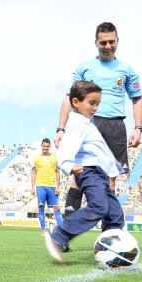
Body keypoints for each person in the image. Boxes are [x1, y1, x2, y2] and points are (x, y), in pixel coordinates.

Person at [54, 22, 142, 218]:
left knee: (111, 179)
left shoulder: (127, 69)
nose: (108, 46)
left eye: (112, 41)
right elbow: (69, 97)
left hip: (114, 126)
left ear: (118, 41)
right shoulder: (85, 68)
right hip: (87, 125)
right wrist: (60, 129)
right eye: (103, 42)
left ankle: (109, 233)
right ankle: (67, 231)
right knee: (78, 177)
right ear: (96, 42)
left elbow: (137, 99)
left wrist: (138, 128)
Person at [45, 80, 125, 262]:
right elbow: (67, 145)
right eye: (91, 103)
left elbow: (98, 150)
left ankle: (112, 247)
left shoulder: (88, 123)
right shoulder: (78, 122)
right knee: (99, 206)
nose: (95, 108)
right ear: (75, 102)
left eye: (97, 104)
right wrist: (67, 164)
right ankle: (59, 236)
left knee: (114, 214)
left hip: (100, 173)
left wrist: (114, 167)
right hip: (89, 172)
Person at [31, 138, 63, 236]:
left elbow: (58, 173)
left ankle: (62, 230)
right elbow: (33, 174)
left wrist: (57, 186)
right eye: (44, 146)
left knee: (56, 208)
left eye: (47, 146)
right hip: (40, 185)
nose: (45, 148)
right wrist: (32, 187)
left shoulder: (54, 158)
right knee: (41, 207)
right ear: (41, 146)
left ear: (50, 147)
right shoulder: (36, 159)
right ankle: (43, 230)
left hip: (52, 186)